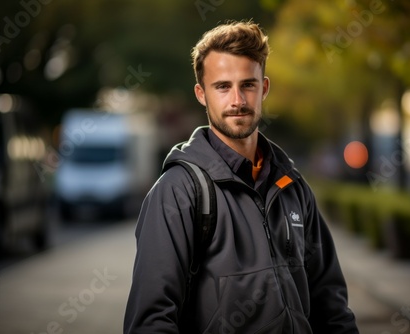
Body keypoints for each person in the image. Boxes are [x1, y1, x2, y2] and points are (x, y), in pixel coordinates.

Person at [124, 20, 359, 333]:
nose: (237, 101)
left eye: (247, 84)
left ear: (263, 88)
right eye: (222, 87)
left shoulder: (292, 185)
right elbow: (150, 322)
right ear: (201, 94)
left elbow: (331, 305)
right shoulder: (177, 192)